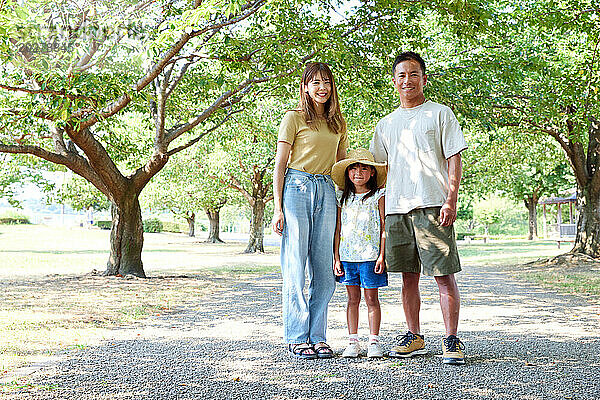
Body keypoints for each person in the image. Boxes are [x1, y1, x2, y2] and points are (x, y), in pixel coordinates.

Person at [370, 51, 468, 365]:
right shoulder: (385, 124)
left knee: (443, 275)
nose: (407, 80)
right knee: (407, 277)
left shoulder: (440, 114)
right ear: (395, 82)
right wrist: (380, 213)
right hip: (398, 208)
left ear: (423, 79)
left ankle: (451, 339)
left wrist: (451, 199)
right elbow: (379, 170)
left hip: (433, 205)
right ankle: (414, 336)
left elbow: (454, 157)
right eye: (401, 75)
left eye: (414, 74)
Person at [271, 62, 348, 359]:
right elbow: (280, 164)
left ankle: (318, 335)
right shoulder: (293, 118)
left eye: (326, 82)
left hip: (327, 190)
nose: (321, 87)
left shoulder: (337, 124)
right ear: (304, 87)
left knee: (325, 269)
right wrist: (278, 208)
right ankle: (296, 335)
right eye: (315, 82)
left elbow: (341, 166)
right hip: (297, 188)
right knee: (295, 265)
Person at [331, 148, 388, 358]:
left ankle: (374, 341)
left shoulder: (378, 196)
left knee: (372, 299)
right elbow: (337, 229)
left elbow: (384, 226)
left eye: (364, 168)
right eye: (354, 168)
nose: (358, 173)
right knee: (352, 299)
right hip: (347, 257)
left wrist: (382, 255)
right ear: (347, 173)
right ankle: (352, 341)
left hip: (370, 257)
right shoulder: (342, 198)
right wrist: (336, 257)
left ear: (372, 173)